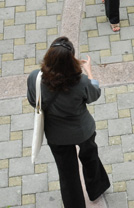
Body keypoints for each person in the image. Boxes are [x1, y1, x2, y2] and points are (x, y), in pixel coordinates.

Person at [27, 37, 110, 208]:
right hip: (82, 130)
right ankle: (96, 188)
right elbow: (94, 94)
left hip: (56, 135)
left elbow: (33, 100)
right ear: (71, 60)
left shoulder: (35, 77)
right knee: (90, 156)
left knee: (67, 174)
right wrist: (89, 71)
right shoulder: (80, 82)